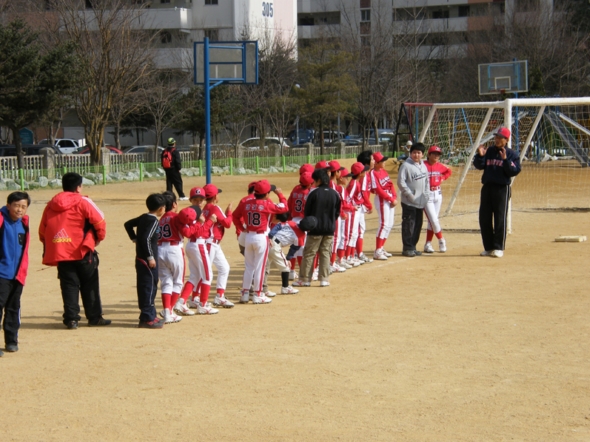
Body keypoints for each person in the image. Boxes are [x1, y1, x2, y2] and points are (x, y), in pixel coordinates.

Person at [39, 172, 111, 329]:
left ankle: (71, 319)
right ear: (78, 187)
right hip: (82, 250)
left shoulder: (51, 205)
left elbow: (43, 230)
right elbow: (99, 221)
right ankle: (94, 317)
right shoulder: (84, 201)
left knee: (69, 286)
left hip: (61, 252)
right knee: (89, 284)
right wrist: (98, 239)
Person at [235, 180, 288, 304]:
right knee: (260, 267)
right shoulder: (266, 204)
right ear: (267, 193)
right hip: (261, 237)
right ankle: (258, 294)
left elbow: (235, 215)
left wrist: (242, 228)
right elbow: (284, 207)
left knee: (249, 267)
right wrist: (280, 195)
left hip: (248, 236)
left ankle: (245, 293)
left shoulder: (246, 203)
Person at [473, 127, 521, 258]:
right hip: (487, 187)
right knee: (484, 218)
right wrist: (480, 156)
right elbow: (479, 165)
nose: (497, 139)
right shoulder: (488, 151)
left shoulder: (512, 154)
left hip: (502, 189)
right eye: (496, 137)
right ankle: (488, 247)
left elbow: (514, 171)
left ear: (506, 140)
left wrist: (505, 160)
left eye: (501, 137)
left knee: (500, 218)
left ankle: (499, 247)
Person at [124, 193, 167, 328]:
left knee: (149, 286)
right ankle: (146, 318)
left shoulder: (144, 217)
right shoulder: (154, 221)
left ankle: (151, 315)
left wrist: (134, 238)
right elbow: (147, 239)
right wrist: (150, 257)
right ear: (161, 208)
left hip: (142, 259)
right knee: (148, 287)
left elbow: (128, 224)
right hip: (147, 260)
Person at [294, 168, 341, 288]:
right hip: (330, 228)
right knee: (325, 253)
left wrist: (308, 225)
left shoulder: (313, 193)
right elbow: (337, 212)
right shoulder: (335, 194)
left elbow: (307, 212)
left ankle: (305, 279)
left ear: (319, 180)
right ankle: (324, 279)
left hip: (315, 228)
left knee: (309, 253)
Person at [0, 192, 31, 355]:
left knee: (13, 308)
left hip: (17, 275)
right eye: (16, 205)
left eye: (23, 207)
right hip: (1, 274)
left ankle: (11, 341)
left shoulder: (23, 224)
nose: (19, 209)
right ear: (8, 206)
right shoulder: (1, 220)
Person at [201, 183, 234, 309]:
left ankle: (219, 296)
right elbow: (227, 223)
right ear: (215, 196)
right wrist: (229, 212)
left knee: (224, 267)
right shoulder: (215, 208)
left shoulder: (205, 208)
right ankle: (197, 298)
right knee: (205, 272)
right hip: (210, 243)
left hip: (213, 244)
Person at [397, 142, 431, 257]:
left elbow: (427, 181)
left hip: (420, 202)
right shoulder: (406, 166)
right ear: (411, 153)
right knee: (409, 224)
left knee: (418, 224)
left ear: (422, 154)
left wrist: (426, 195)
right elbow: (401, 182)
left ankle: (413, 246)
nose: (416, 155)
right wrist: (410, 195)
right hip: (409, 202)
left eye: (419, 153)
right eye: (414, 152)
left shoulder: (423, 166)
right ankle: (407, 247)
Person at [156, 191, 184, 324]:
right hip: (174, 249)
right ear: (174, 204)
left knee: (166, 282)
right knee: (178, 282)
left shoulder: (161, 219)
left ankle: (167, 312)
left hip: (160, 249)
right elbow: (185, 231)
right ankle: (170, 310)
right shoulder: (176, 216)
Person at [267, 213, 305, 295]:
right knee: (286, 267)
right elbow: (293, 249)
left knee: (264, 268)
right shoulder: (301, 236)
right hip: (275, 246)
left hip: (267, 242)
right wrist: (287, 259)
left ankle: (261, 289)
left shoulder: (292, 223)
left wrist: (270, 236)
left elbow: (278, 226)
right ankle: (285, 287)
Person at [423, 146, 452, 253]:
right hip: (427, 195)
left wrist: (443, 178)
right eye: (434, 154)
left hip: (438, 194)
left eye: (438, 154)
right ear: (429, 154)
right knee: (434, 220)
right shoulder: (423, 165)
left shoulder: (439, 166)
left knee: (432, 221)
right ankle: (441, 239)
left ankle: (428, 244)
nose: (436, 156)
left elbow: (448, 171)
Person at [369, 152, 397, 260]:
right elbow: (378, 190)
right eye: (382, 161)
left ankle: (381, 247)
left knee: (390, 224)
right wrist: (390, 199)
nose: (384, 162)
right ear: (376, 163)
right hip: (382, 199)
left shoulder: (383, 171)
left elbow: (390, 184)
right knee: (384, 224)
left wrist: (394, 197)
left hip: (389, 197)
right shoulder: (373, 173)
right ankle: (377, 250)